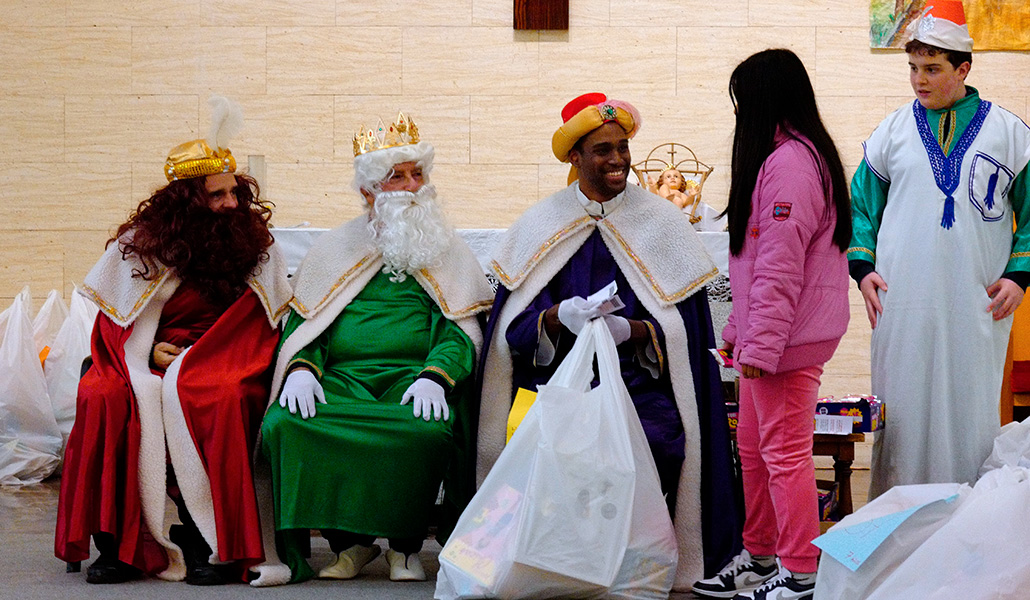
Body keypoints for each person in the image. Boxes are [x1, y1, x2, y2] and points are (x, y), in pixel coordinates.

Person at [478, 92, 742, 590]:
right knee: (547, 446)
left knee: (658, 441)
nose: (618, 159)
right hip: (558, 391)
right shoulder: (541, 225)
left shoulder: (663, 223)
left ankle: (632, 564)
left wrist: (636, 330)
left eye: (623, 147)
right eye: (603, 149)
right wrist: (559, 318)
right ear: (575, 157)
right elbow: (509, 334)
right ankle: (558, 563)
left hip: (640, 390)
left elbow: (688, 336)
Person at [54, 97, 294, 586]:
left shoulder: (254, 243)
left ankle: (211, 538)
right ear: (186, 201)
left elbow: (261, 322)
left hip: (225, 356)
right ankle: (118, 543)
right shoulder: (141, 244)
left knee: (216, 395)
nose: (232, 204)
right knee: (103, 396)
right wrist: (144, 353)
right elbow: (114, 321)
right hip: (145, 357)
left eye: (235, 192)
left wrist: (197, 359)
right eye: (218, 195)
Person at [260, 113, 494, 584]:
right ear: (367, 191)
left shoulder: (445, 249)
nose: (413, 186)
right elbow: (312, 324)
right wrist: (304, 367)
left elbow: (459, 327)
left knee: (424, 430)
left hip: (413, 379)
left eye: (417, 174)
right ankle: (350, 544)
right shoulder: (335, 248)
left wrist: (436, 375)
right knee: (287, 422)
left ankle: (404, 546)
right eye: (397, 177)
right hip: (340, 380)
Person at [849, 0, 1030, 499]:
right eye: (913, 68)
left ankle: (965, 527)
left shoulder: (1009, 133)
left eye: (932, 69)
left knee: (968, 412)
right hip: (901, 299)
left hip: (977, 302)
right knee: (902, 409)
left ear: (963, 68)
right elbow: (861, 207)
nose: (919, 80)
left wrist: (1019, 276)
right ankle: (893, 524)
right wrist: (863, 269)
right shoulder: (892, 131)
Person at [691, 49, 851, 600]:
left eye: (743, 102)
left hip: (790, 341)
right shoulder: (784, 156)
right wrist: (737, 333)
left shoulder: (790, 164)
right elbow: (756, 266)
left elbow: (782, 271)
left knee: (783, 454)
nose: (739, 113)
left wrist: (758, 344)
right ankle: (760, 556)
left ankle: (801, 570)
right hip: (773, 336)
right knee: (755, 449)